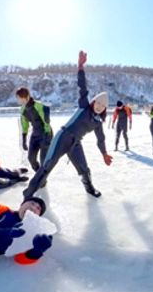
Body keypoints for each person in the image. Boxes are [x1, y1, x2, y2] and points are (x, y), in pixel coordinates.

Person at [21, 50, 113, 200]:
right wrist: (80, 67)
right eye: (98, 102)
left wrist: (104, 154)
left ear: (105, 109)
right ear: (93, 101)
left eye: (103, 106)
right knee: (47, 167)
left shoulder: (98, 122)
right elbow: (82, 87)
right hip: (62, 137)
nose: (100, 106)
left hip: (75, 143)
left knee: (84, 169)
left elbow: (100, 139)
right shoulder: (84, 106)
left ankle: (90, 189)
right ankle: (28, 194)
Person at [15, 87, 52, 171]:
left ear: (25, 97)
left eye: (19, 98)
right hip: (35, 134)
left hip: (45, 134)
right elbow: (24, 125)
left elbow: (46, 122)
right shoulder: (23, 109)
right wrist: (24, 139)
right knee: (31, 158)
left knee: (44, 160)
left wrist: (47, 134)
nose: (18, 100)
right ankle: (39, 174)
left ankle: (42, 178)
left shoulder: (38, 106)